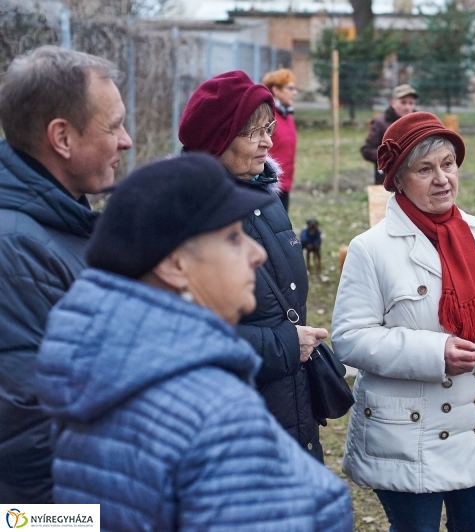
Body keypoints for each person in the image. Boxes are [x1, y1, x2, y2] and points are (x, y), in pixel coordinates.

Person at [34, 154, 353, 531]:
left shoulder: (96, 374)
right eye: (234, 239)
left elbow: (73, 519)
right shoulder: (211, 412)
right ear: (174, 265)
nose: (258, 253)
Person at [332, 112, 475, 531]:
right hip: (409, 435)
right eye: (425, 169)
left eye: (448, 165)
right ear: (399, 179)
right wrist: (434, 352)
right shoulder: (371, 248)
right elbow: (349, 338)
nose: (442, 179)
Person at [0, 45, 132, 502]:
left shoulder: (63, 222)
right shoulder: (15, 249)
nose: (126, 140)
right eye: (113, 125)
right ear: (62, 137)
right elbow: (28, 430)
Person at [179, 70, 328, 461]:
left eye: (269, 127)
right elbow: (186, 334)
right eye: (253, 132)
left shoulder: (263, 194)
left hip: (287, 399)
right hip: (233, 416)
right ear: (217, 139)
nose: (268, 141)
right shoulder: (190, 213)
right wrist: (283, 345)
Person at [361, 83, 417, 184]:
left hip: (414, 178)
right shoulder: (380, 123)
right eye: (403, 102)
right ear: (393, 103)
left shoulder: (419, 123)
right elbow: (367, 150)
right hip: (388, 180)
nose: (408, 107)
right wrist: (389, 156)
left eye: (411, 103)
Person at [262, 68, 298, 212]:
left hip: (285, 184)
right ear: (276, 90)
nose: (294, 92)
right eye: (290, 88)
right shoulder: (267, 116)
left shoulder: (288, 116)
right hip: (268, 187)